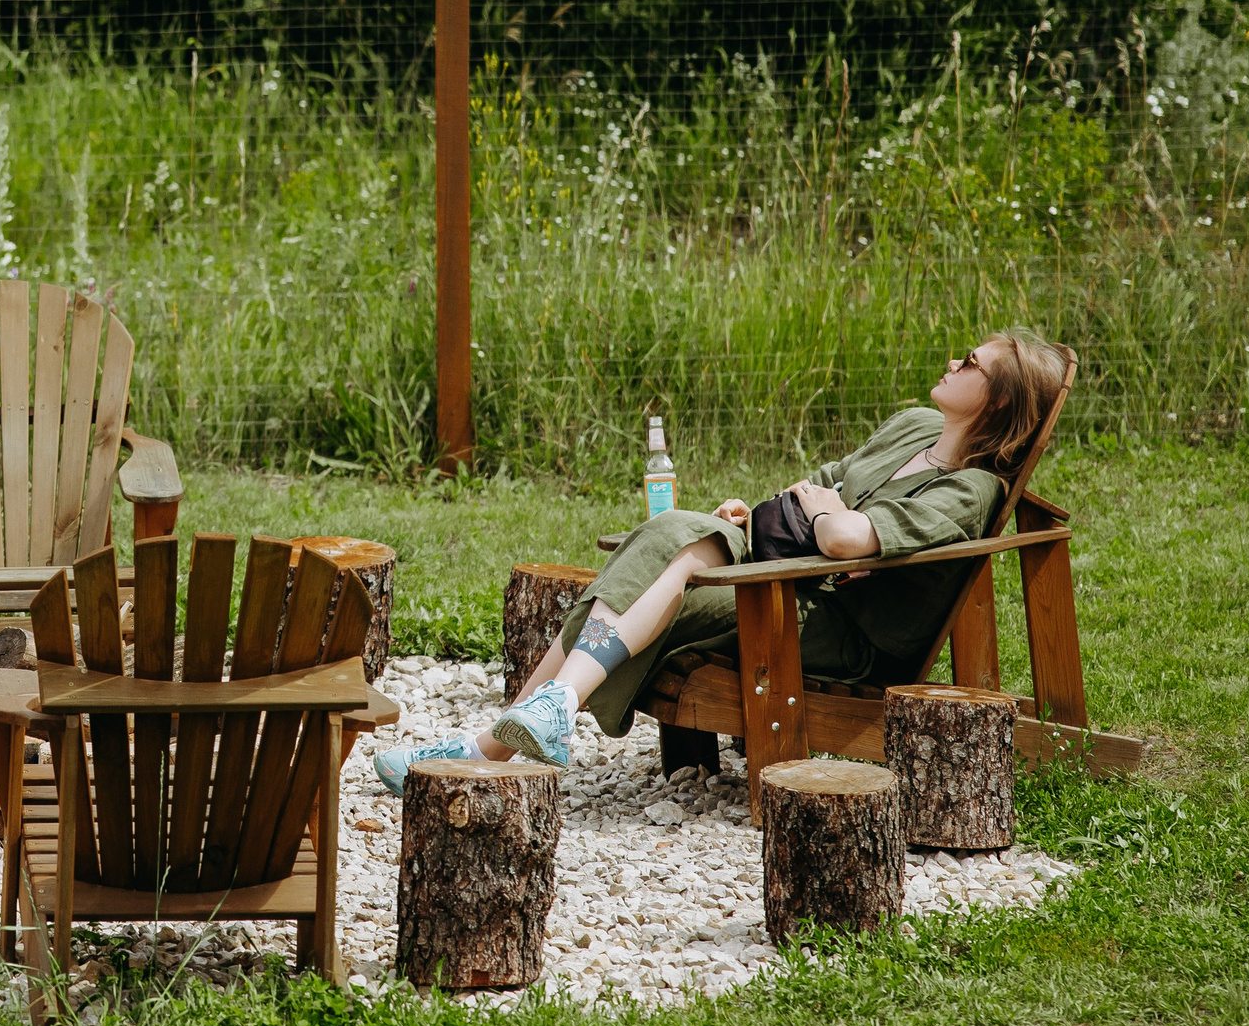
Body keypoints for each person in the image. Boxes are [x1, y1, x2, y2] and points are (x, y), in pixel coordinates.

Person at [376, 328, 1071, 790]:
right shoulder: (914, 427)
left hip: (836, 629)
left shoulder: (970, 489)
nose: (954, 360)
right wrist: (773, 511)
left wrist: (829, 514)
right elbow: (827, 485)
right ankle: (531, 718)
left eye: (972, 362)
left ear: (1000, 397)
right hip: (795, 575)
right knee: (675, 534)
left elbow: (848, 537)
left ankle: (493, 741)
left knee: (666, 545)